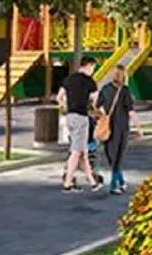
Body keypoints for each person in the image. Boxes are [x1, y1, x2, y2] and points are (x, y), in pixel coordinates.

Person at [57, 56, 103, 192]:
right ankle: (67, 183)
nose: (93, 71)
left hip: (70, 117)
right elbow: (95, 103)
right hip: (81, 118)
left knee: (83, 153)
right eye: (93, 68)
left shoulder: (69, 79)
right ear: (88, 65)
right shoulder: (90, 82)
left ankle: (93, 182)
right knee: (76, 152)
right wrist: (99, 113)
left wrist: (66, 106)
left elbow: (59, 98)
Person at [98, 65, 142, 194]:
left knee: (111, 156)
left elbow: (98, 106)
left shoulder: (105, 89)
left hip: (107, 128)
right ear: (124, 76)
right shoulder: (125, 91)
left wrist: (104, 117)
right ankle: (114, 185)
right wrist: (139, 128)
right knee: (118, 157)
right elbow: (131, 111)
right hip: (121, 128)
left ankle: (121, 181)